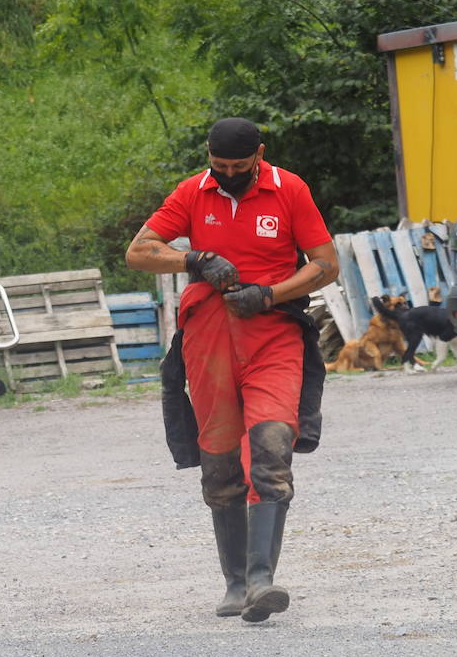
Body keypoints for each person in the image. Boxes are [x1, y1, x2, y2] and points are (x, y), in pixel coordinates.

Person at [126, 117, 337, 623]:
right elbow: (138, 252)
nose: (227, 174)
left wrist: (269, 293)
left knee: (270, 445)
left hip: (273, 334)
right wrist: (193, 260)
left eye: (238, 167)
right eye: (218, 166)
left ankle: (262, 579)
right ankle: (235, 582)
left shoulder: (290, 189)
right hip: (208, 339)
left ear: (259, 155)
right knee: (219, 459)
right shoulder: (193, 191)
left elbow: (325, 264)